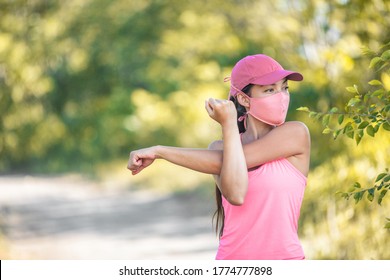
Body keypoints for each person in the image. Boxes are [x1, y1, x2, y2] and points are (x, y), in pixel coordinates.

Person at [127, 54, 311, 260]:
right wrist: (229, 126)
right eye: (270, 89)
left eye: (284, 88)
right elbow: (236, 193)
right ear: (243, 99)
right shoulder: (219, 148)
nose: (282, 96)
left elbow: (223, 165)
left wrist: (160, 151)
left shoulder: (295, 134)